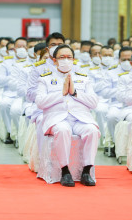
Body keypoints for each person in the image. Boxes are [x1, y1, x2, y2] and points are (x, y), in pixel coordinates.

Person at [35, 45, 100, 187]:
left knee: (92, 130)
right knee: (63, 130)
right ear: (54, 60)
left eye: (69, 57)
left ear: (73, 59)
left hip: (80, 119)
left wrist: (75, 92)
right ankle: (65, 171)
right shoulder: (45, 79)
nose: (66, 60)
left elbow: (94, 102)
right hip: (57, 118)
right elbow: (40, 103)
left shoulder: (83, 78)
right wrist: (61, 93)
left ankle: (87, 171)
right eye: (62, 57)